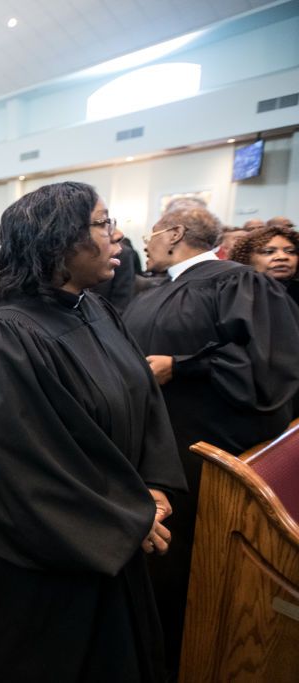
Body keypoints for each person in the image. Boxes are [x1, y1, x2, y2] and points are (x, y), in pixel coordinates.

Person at [0, 182, 187, 681]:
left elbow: (145, 398)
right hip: (47, 566)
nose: (117, 235)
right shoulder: (6, 334)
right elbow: (25, 467)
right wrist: (126, 518)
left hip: (115, 533)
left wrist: (154, 485)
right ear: (57, 242)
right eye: (102, 225)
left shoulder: (95, 309)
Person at [123, 207, 299, 676]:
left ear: (175, 233)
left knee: (184, 572)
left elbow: (265, 373)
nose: (145, 241)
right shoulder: (151, 290)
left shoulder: (241, 284)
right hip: (148, 451)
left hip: (201, 458)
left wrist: (181, 365)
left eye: (153, 232)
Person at [230, 224, 299, 305]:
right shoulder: (232, 294)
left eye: (290, 251)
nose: (282, 257)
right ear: (246, 258)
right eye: (269, 252)